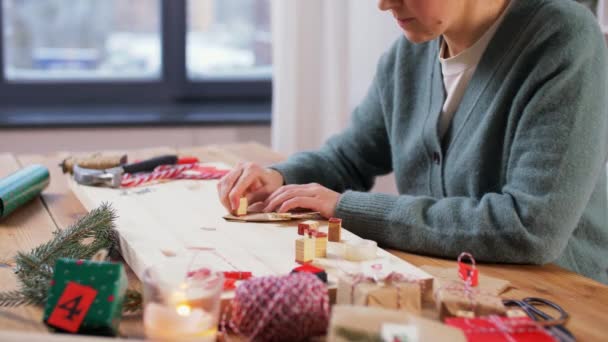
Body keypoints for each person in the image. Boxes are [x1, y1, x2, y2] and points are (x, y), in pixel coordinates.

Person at [217, 0, 608, 284]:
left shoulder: (562, 38)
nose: (384, 4)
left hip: (562, 299)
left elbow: (529, 228)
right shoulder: (408, 55)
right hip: (456, 286)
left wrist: (348, 209)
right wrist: (279, 177)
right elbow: (349, 158)